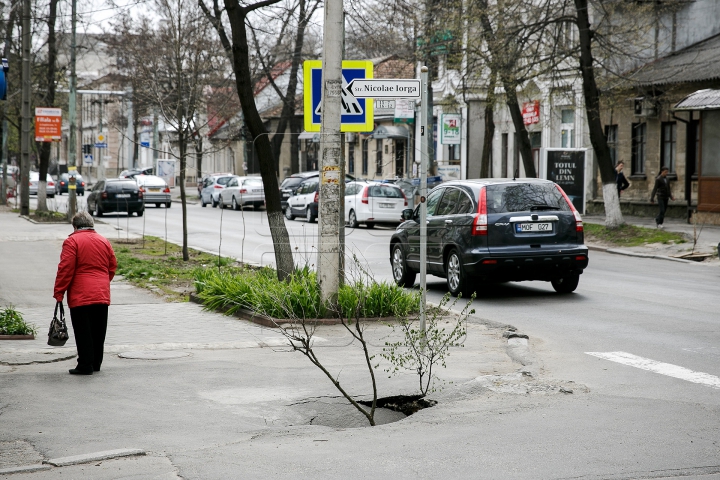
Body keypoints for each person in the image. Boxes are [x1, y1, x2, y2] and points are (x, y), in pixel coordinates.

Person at [54, 211, 117, 375]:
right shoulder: (104, 241)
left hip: (80, 294)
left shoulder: (72, 241)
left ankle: (85, 364)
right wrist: (103, 282)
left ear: (75, 226)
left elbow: (65, 269)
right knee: (98, 330)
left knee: (83, 331)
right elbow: (112, 266)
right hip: (102, 293)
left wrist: (59, 292)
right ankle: (96, 363)